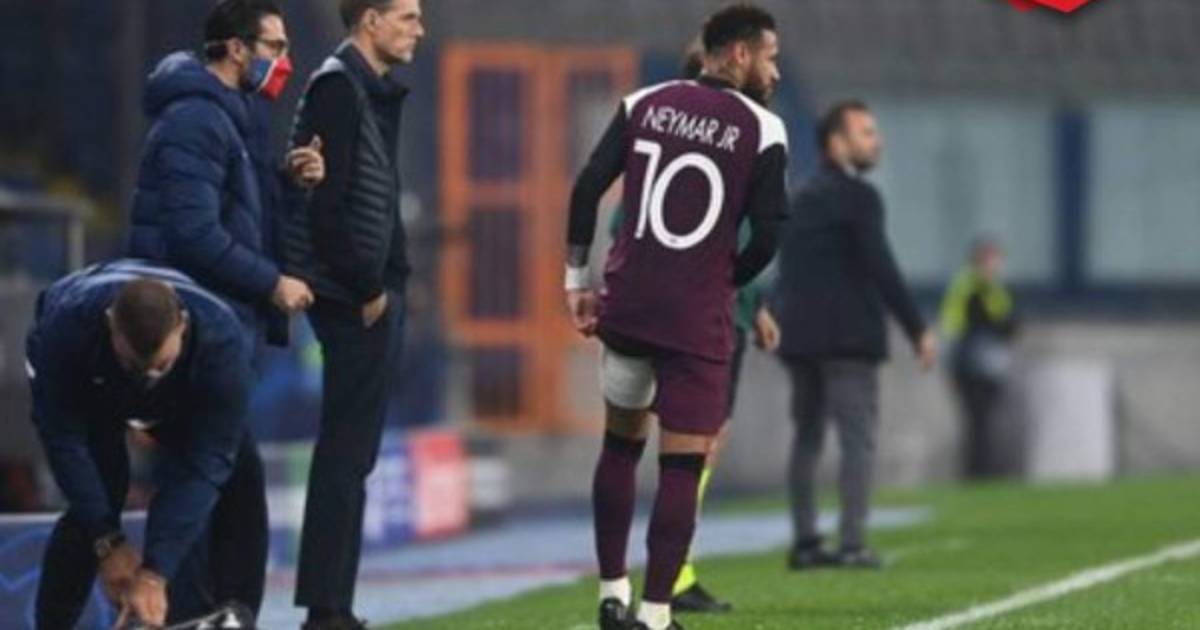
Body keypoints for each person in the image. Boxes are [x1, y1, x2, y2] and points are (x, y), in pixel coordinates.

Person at [565, 5, 787, 629]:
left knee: (618, 448)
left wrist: (575, 281)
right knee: (683, 466)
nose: (775, 71)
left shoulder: (643, 103)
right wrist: (725, 281)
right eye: (770, 57)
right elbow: (768, 236)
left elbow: (587, 188)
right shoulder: (763, 129)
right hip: (695, 319)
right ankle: (657, 613)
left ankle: (612, 595)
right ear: (739, 53)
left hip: (630, 306)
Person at [280, 0, 424, 627]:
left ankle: (334, 606)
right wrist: (369, 287)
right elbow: (326, 205)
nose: (419, 29)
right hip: (353, 297)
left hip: (369, 290)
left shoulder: (363, 89)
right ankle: (325, 611)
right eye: (408, 17)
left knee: (352, 457)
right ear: (370, 19)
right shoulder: (338, 88)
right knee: (344, 456)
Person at [27, 260, 260, 627]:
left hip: (179, 391)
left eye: (161, 365)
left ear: (182, 326)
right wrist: (107, 544)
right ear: (110, 326)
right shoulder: (67, 329)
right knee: (103, 486)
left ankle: (235, 615)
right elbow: (66, 444)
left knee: (240, 467)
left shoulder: (223, 343)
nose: (149, 377)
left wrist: (155, 572)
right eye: (136, 366)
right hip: (91, 379)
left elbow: (205, 463)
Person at [771, 100, 937, 571]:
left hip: (798, 338)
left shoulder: (799, 197)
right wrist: (917, 328)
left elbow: (787, 269)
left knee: (806, 437)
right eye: (866, 133)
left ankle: (806, 542)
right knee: (856, 440)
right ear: (836, 143)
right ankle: (851, 543)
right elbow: (881, 266)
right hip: (848, 341)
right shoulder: (860, 197)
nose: (876, 142)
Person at [127, 0, 319, 345]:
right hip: (192, 322)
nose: (284, 63)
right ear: (237, 49)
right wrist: (272, 283)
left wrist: (291, 184)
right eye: (275, 47)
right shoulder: (195, 121)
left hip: (221, 315)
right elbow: (194, 234)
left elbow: (246, 220)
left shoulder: (236, 119)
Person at [940, 237, 1019, 479]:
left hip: (988, 364)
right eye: (991, 259)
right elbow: (984, 322)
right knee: (978, 422)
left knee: (985, 421)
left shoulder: (994, 288)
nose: (996, 265)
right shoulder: (971, 286)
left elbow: (1009, 323)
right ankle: (978, 472)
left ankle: (984, 470)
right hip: (969, 364)